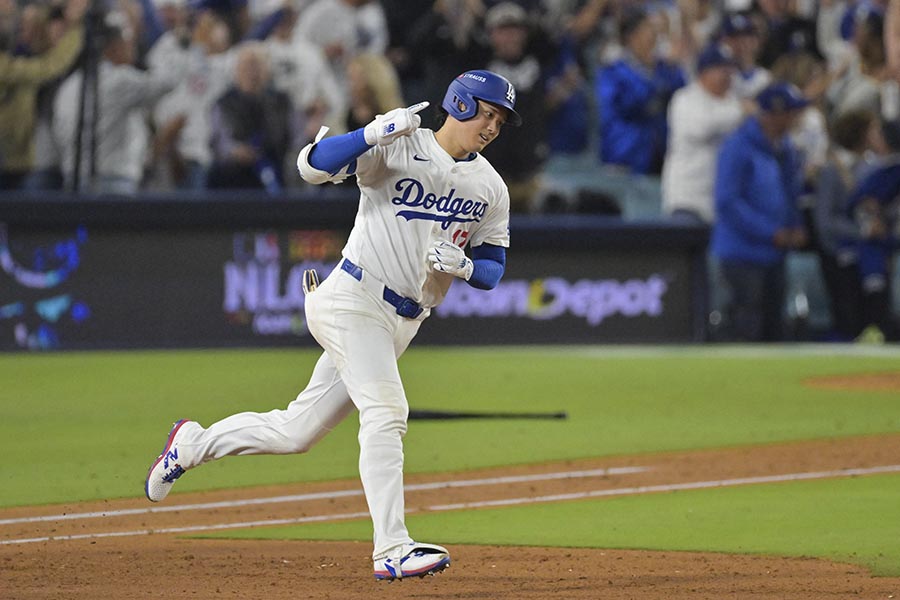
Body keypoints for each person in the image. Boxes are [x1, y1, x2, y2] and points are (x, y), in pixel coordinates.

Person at [144, 69, 519, 581]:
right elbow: (310, 168)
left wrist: (468, 267)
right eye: (486, 111)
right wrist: (371, 133)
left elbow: (494, 266)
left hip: (402, 322)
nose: (492, 124)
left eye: (499, 118)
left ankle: (191, 444)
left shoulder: (490, 187)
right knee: (387, 410)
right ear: (457, 102)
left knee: (296, 432)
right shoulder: (399, 144)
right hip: (351, 297)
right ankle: (392, 548)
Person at [710, 81, 810, 341]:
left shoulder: (785, 148)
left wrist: (794, 225)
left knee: (774, 327)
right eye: (790, 112)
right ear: (774, 114)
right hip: (741, 252)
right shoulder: (738, 146)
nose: (794, 118)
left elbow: (790, 194)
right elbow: (727, 202)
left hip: (774, 253)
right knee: (746, 325)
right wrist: (770, 232)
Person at [595, 6, 686, 175]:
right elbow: (629, 106)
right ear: (632, 36)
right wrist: (656, 83)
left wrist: (673, 67)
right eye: (648, 29)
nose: (654, 35)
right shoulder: (613, 71)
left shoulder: (663, 68)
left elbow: (682, 95)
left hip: (660, 153)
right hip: (624, 154)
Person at [662, 42, 745, 225]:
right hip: (687, 200)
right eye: (720, 69)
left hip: (721, 203)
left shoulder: (732, 102)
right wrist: (740, 113)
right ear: (703, 71)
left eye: (729, 69)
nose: (727, 74)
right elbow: (700, 127)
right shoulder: (685, 99)